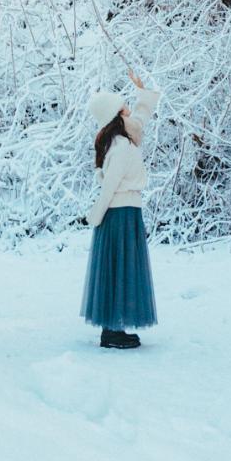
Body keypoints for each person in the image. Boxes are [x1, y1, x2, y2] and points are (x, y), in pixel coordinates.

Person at [80, 68, 160, 349]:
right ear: (115, 114)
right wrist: (95, 217)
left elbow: (140, 118)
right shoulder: (121, 145)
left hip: (125, 212)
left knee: (121, 269)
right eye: (122, 105)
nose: (128, 107)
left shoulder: (125, 137)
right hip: (119, 213)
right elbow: (109, 187)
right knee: (119, 269)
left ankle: (115, 328)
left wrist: (143, 93)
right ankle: (111, 331)